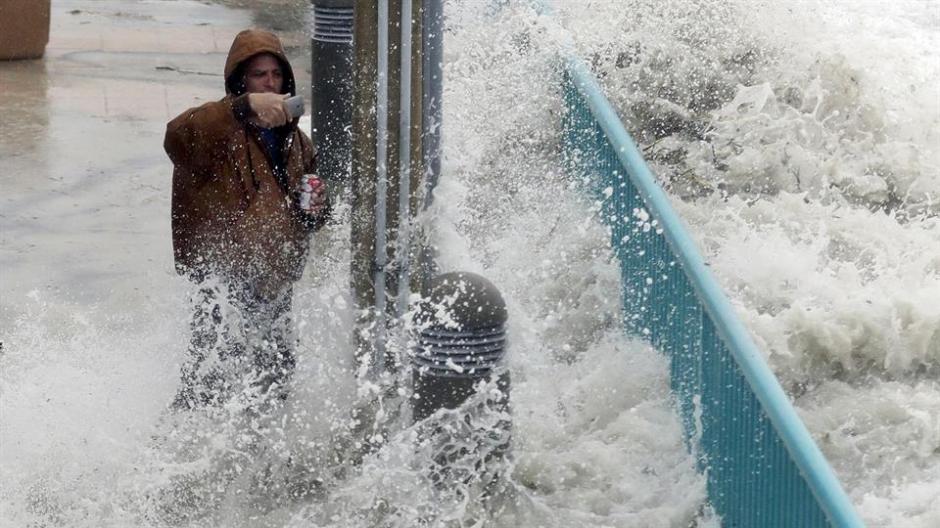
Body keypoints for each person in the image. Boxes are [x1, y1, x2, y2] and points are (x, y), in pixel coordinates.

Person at [164, 29, 329, 410]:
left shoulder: (297, 142)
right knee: (209, 380)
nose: (270, 83)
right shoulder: (216, 131)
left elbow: (310, 218)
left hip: (274, 282)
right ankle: (178, 453)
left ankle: (263, 462)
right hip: (221, 279)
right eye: (259, 75)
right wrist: (243, 107)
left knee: (274, 383)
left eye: (276, 74)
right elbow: (176, 137)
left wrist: (318, 207)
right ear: (241, 82)